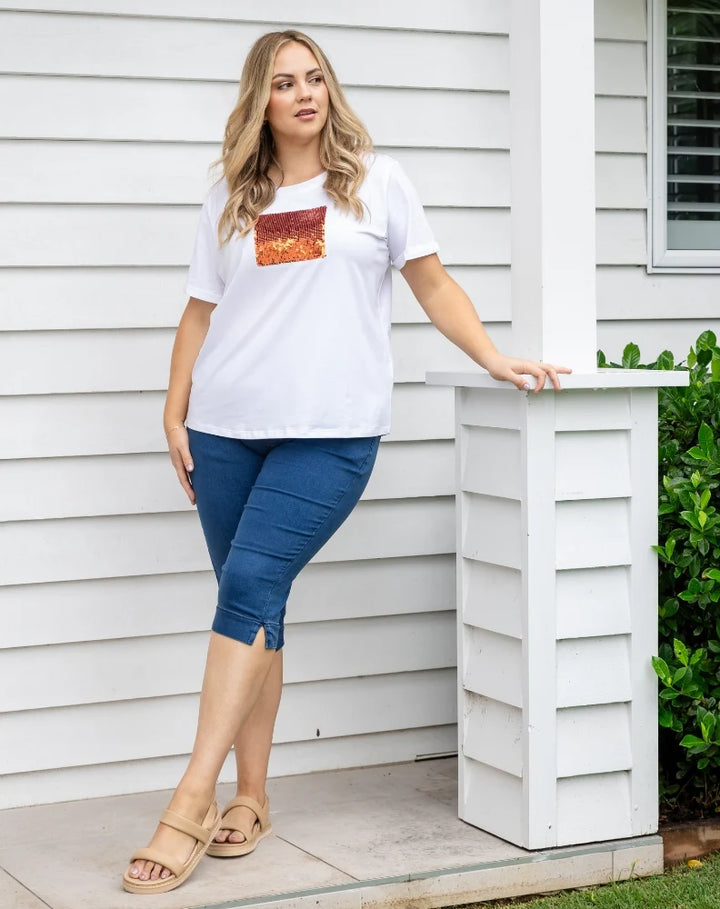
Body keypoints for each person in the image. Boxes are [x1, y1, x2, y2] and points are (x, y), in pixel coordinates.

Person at [122, 29, 570, 895]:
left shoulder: (375, 182)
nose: (304, 93)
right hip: (224, 430)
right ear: (260, 99)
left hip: (329, 433)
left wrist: (494, 357)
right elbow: (198, 310)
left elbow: (433, 283)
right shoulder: (230, 195)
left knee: (249, 585)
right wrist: (174, 407)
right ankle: (251, 796)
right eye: (285, 82)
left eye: (315, 77)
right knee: (253, 605)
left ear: (331, 89)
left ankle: (189, 800)